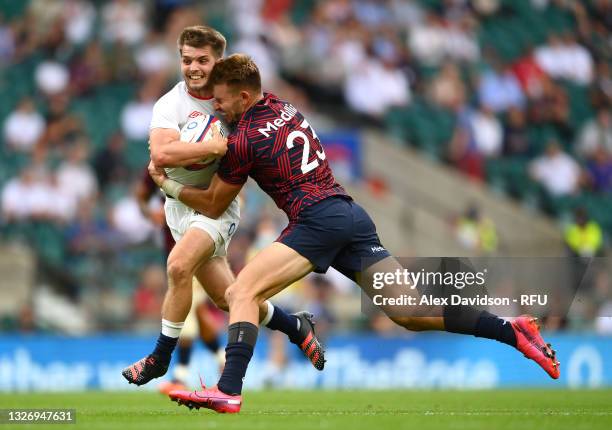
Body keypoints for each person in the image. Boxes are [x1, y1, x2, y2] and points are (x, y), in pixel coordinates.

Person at [149, 54, 560, 413]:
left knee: (242, 293)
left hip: (316, 219)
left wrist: (167, 184)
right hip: (350, 215)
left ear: (242, 97)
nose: (216, 107)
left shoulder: (243, 140)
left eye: (220, 100)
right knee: (412, 313)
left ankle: (228, 390)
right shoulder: (285, 106)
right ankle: (512, 330)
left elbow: (213, 204)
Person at [122, 26, 325, 388]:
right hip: (179, 209)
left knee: (178, 265)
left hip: (217, 206)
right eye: (187, 60)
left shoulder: (233, 101)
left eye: (203, 60)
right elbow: (161, 153)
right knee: (228, 298)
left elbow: (251, 145)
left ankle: (159, 358)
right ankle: (296, 326)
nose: (194, 68)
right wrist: (212, 148)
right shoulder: (170, 104)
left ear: (218, 62)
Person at [134, 167, 225, 394]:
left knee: (188, 309)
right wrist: (149, 213)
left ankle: (181, 376)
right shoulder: (159, 162)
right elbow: (141, 194)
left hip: (202, 246)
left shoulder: (204, 157)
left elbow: (232, 193)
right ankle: (223, 358)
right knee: (198, 312)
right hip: (173, 248)